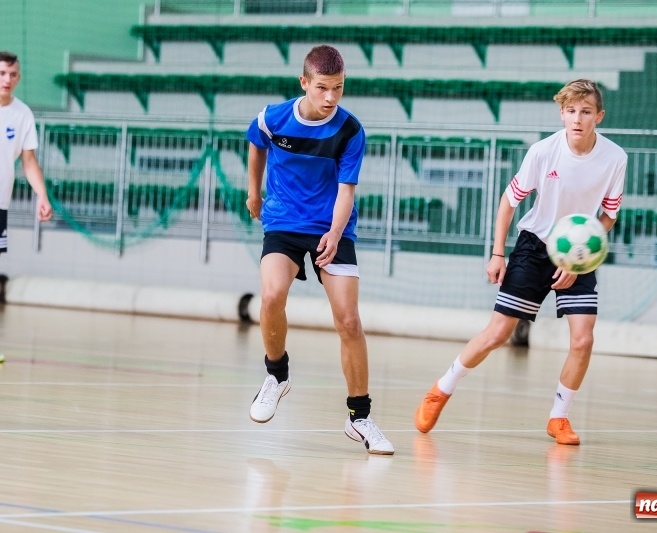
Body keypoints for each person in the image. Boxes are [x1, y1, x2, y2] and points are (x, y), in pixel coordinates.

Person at [414, 79, 626, 446]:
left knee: (583, 340)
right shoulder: (543, 152)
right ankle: (441, 389)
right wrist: (498, 253)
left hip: (579, 251)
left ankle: (559, 417)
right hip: (534, 246)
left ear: (599, 116)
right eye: (571, 111)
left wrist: (578, 259)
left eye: (586, 111)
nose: (577, 119)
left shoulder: (615, 158)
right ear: (561, 113)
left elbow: (609, 214)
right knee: (498, 333)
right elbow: (509, 201)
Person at [244, 45, 393, 455]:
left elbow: (347, 190)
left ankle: (359, 418)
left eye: (339, 88)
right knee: (272, 295)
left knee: (348, 321)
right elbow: (257, 144)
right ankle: (277, 376)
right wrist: (253, 191)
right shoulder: (273, 117)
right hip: (285, 223)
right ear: (304, 83)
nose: (331, 98)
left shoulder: (350, 130)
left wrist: (334, 231)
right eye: (323, 88)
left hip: (334, 226)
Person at [0, 51, 52, 256]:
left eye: (13, 75)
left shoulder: (23, 114)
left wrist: (42, 195)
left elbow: (29, 162)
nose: (7, 80)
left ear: (18, 78)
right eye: (2, 73)